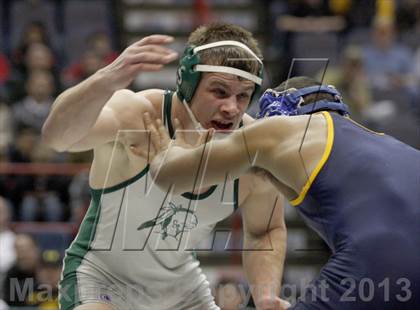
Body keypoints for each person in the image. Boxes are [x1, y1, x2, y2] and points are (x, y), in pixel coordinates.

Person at [42, 23, 288, 310]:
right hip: (102, 279)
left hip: (182, 292)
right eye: (219, 92)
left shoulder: (252, 151)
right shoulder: (138, 115)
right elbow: (57, 137)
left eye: (243, 96)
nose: (231, 108)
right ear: (187, 84)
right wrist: (107, 79)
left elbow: (265, 230)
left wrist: (266, 295)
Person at [145, 76, 420, 309]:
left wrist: (163, 157)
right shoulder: (396, 146)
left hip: (380, 259)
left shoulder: (281, 132)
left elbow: (174, 177)